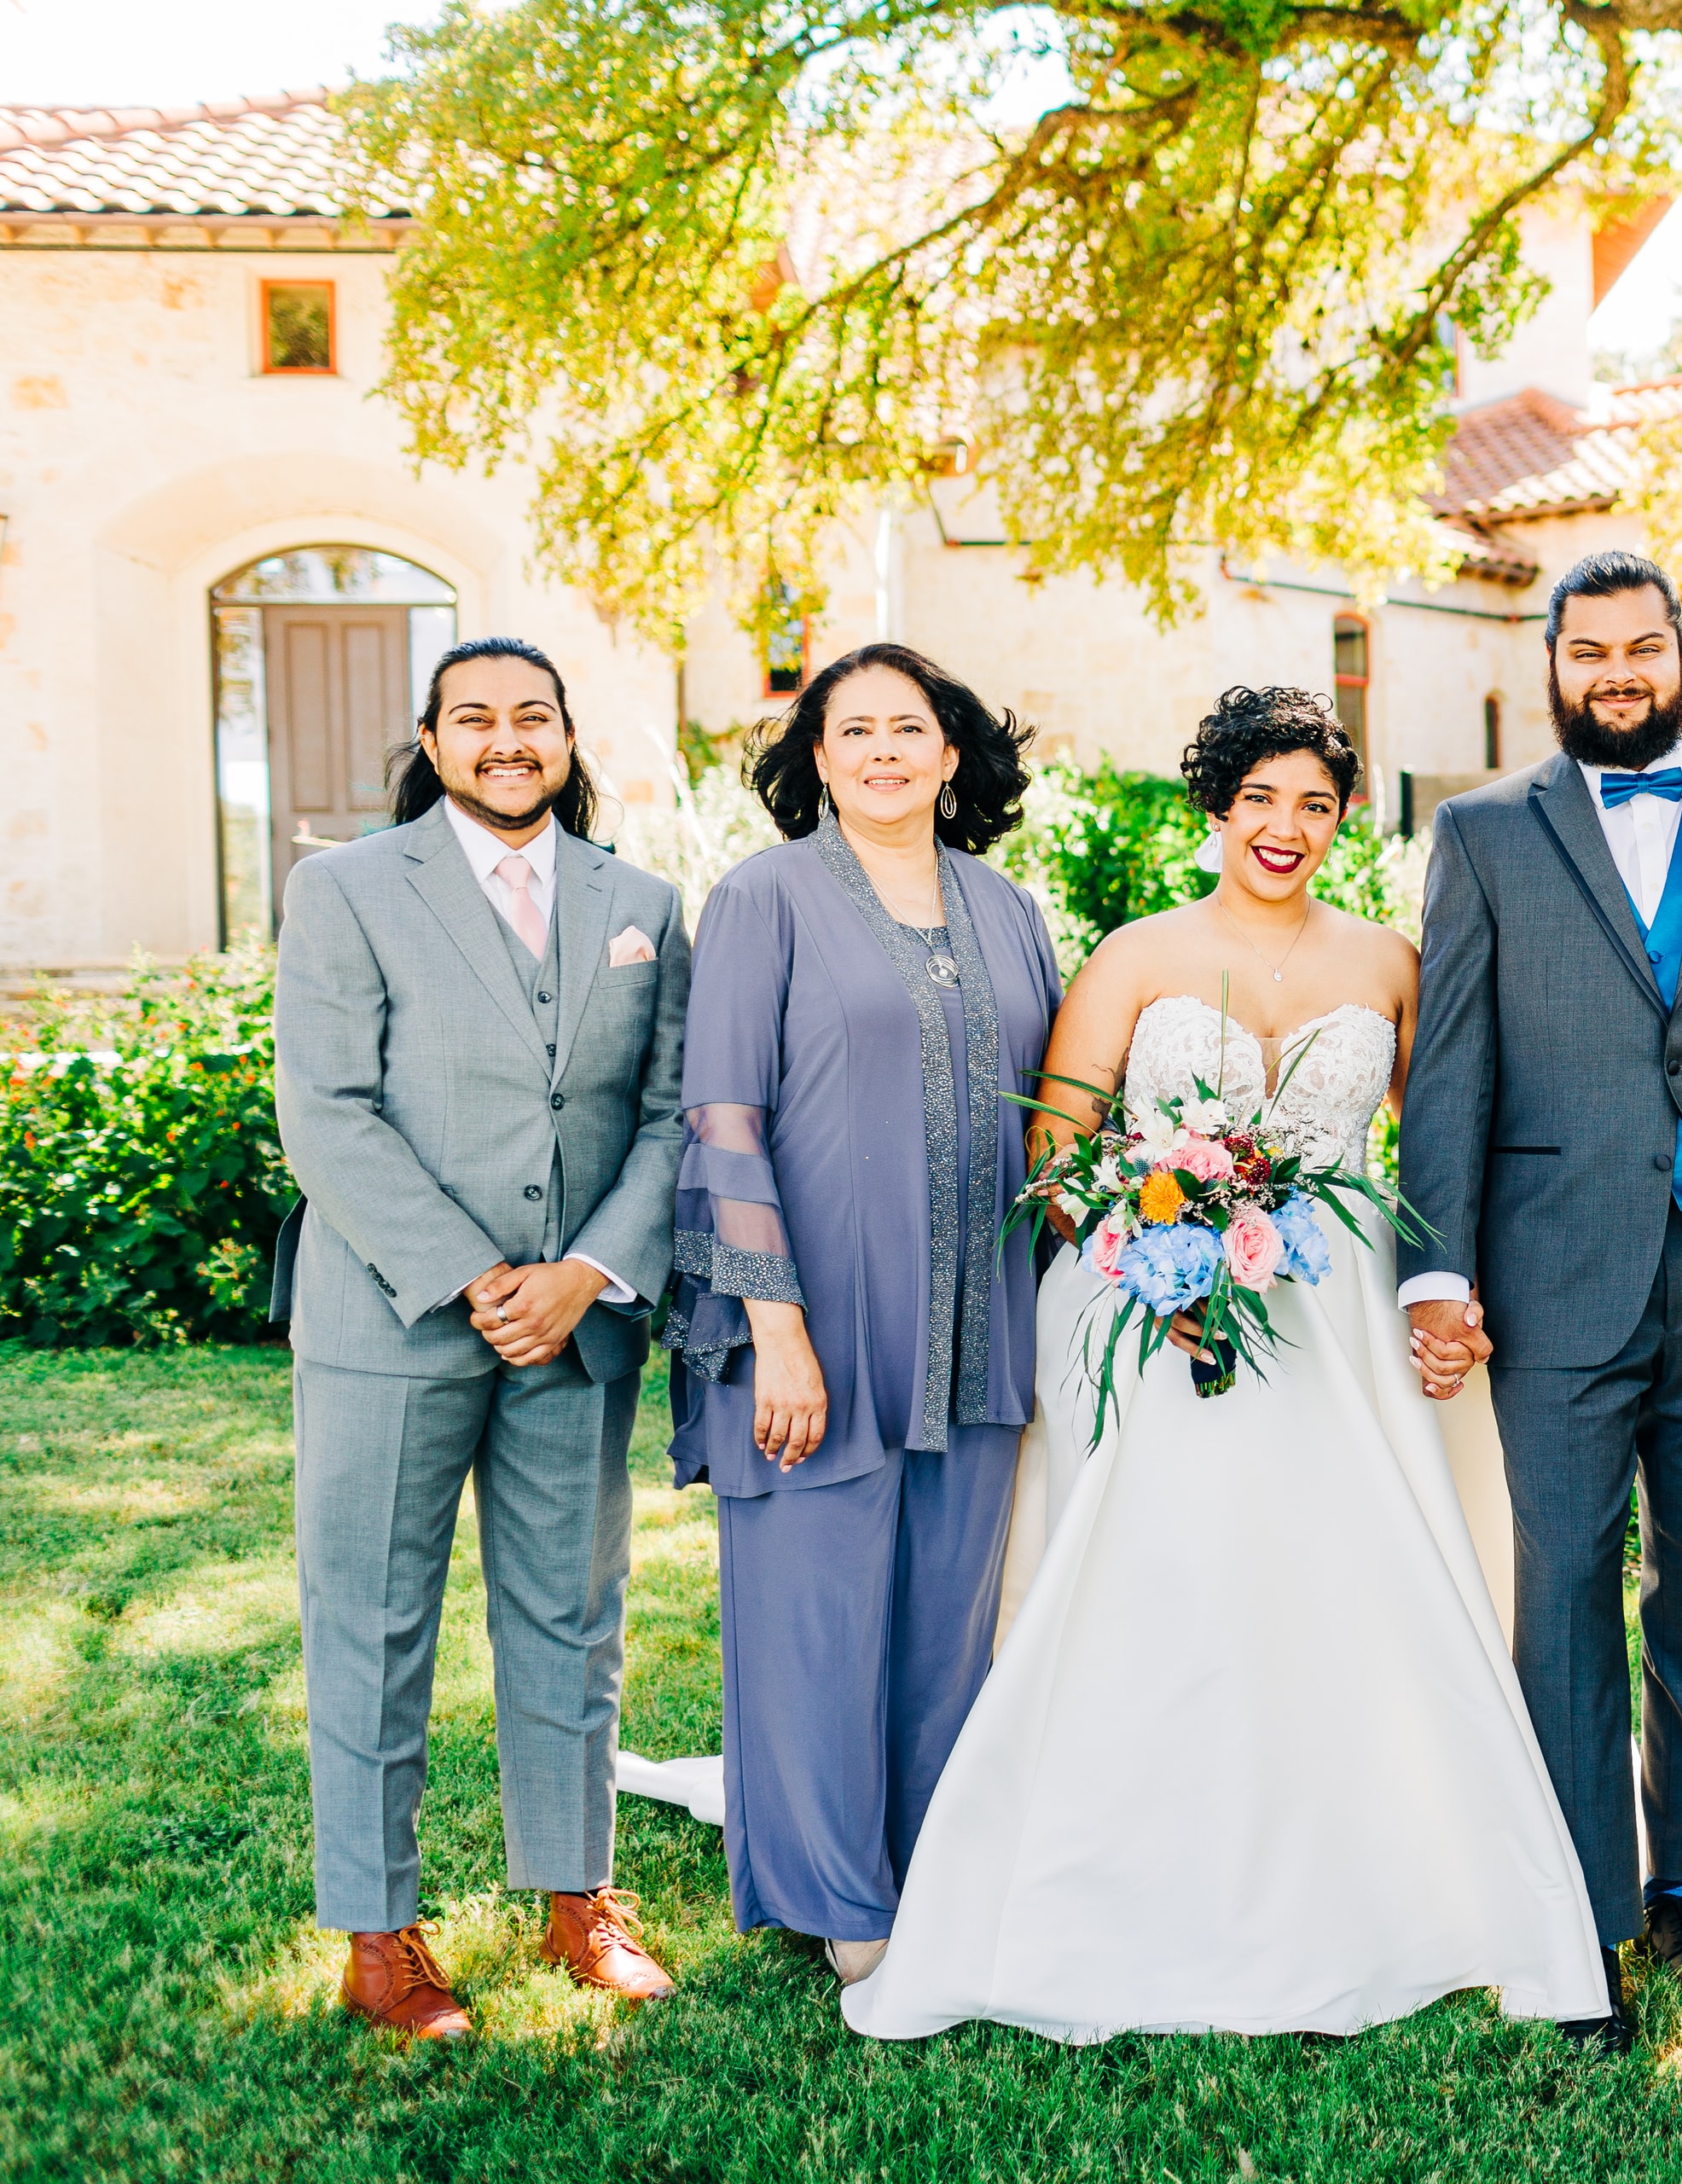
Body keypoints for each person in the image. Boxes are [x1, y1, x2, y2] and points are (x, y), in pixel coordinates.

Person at [843, 687, 1611, 2044]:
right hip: (1156, 1322)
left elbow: (1442, 1137)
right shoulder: (1136, 956)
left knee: (1349, 1586)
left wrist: (1455, 1291)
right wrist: (1156, 1256)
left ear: (1341, 822)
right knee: (1163, 1583)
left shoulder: (1388, 962)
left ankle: (1380, 1867)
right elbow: (1059, 1154)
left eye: (1315, 804)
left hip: (1339, 1332)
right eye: (1261, 798)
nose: (1287, 827)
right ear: (1216, 806)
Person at [1396, 550, 1682, 2043]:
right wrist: (1437, 1265)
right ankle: (1578, 1907)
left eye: (1641, 649)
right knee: (1567, 1597)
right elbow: (1452, 1064)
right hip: (1555, 1280)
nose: (1617, 674)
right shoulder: (1481, 832)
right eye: (1588, 651)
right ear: (1553, 664)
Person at [271, 636, 691, 2040]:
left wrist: (582, 1274)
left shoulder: (640, 901)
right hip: (393, 1318)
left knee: (572, 1619)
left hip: (576, 1329)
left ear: (567, 736)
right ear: (433, 738)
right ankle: (382, 1932)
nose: (507, 739)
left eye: (533, 717)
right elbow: (326, 1108)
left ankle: (578, 1898)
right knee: (373, 1620)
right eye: (476, 719)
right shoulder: (342, 889)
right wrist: (471, 1275)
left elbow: (664, 1115)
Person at [661, 642, 1062, 1986]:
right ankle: (840, 1894)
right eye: (856, 731)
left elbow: (1053, 1115)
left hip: (977, 1323)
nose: (885, 751)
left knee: (949, 1619)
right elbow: (722, 1116)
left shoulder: (1008, 907)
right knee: (816, 1614)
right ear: (816, 759)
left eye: (913, 728)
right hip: (817, 1326)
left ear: (955, 754)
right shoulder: (764, 899)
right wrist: (776, 1328)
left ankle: (931, 1864)